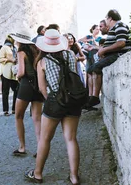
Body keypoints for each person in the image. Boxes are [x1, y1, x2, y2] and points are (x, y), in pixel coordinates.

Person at [25, 29, 81, 184]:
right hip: (73, 99)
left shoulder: (42, 62)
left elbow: (43, 89)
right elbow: (73, 77)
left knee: (44, 139)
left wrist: (52, 99)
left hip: (55, 100)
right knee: (71, 139)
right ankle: (74, 176)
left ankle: (37, 174)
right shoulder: (71, 55)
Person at [85, 10, 131, 109]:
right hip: (111, 54)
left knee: (95, 68)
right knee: (91, 69)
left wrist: (104, 50)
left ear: (110, 18)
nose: (106, 20)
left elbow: (121, 43)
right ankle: (92, 96)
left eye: (106, 18)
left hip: (118, 55)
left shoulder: (120, 26)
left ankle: (95, 97)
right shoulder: (115, 27)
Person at [9, 29, 44, 157]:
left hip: (26, 85)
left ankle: (22, 147)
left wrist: (17, 76)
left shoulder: (21, 52)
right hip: (38, 85)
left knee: (18, 116)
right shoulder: (37, 50)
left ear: (19, 40)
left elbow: (22, 72)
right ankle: (41, 147)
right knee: (37, 118)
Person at [0, 36, 18, 116]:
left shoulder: (14, 48)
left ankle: (14, 109)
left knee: (17, 90)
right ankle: (5, 110)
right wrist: (10, 60)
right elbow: (0, 59)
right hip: (5, 72)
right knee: (5, 92)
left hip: (13, 73)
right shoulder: (4, 48)